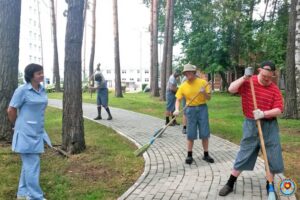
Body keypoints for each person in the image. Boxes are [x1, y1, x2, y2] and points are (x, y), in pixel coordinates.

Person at [219, 61, 284, 196]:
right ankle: (230, 183)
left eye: (269, 77)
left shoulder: (274, 89)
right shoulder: (249, 82)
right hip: (251, 124)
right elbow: (231, 89)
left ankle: (269, 186)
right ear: (259, 70)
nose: (266, 79)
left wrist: (264, 113)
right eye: (264, 75)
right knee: (245, 151)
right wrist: (244, 77)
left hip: (269, 125)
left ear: (273, 75)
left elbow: (279, 109)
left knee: (271, 154)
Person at [7, 63, 52, 200]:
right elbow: (11, 110)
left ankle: (22, 193)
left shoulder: (42, 89)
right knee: (32, 165)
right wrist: (17, 125)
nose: (42, 75)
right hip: (25, 133)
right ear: (31, 75)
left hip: (38, 132)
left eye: (42, 72)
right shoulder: (22, 90)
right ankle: (36, 196)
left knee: (29, 164)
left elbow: (41, 108)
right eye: (39, 73)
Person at [173, 63, 214, 164]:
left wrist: (204, 92)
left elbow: (209, 98)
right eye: (186, 72)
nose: (187, 74)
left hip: (202, 108)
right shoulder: (183, 86)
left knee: (204, 132)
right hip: (190, 110)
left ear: (193, 72)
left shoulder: (203, 83)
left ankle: (206, 154)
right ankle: (189, 155)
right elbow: (178, 99)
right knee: (191, 133)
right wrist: (177, 109)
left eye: (189, 72)